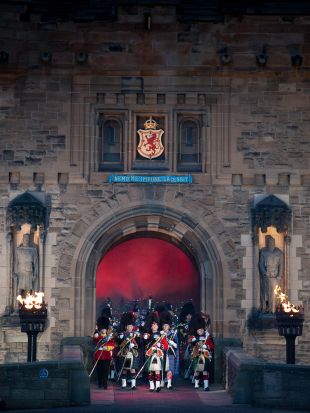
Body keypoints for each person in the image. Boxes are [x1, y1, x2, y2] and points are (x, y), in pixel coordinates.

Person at [188, 314, 215, 391]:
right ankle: (196, 384)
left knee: (205, 371)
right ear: (196, 330)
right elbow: (190, 342)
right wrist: (193, 341)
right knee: (197, 370)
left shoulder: (207, 337)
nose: (200, 331)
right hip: (197, 354)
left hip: (205, 355)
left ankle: (206, 386)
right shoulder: (194, 337)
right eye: (199, 330)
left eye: (202, 330)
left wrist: (206, 347)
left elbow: (212, 346)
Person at [143, 312, 168, 392]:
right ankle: (151, 386)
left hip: (158, 354)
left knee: (157, 370)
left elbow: (166, 345)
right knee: (150, 371)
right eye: (152, 325)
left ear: (158, 326)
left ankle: (157, 386)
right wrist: (144, 338)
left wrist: (160, 345)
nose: (154, 326)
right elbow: (145, 344)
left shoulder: (161, 335)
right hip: (150, 354)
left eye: (155, 325)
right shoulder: (148, 335)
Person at [258, 235, 284, 312]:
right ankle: (266, 308)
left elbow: (281, 265)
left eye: (272, 241)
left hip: (275, 276)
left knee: (274, 294)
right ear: (267, 243)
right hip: (266, 276)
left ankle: (274, 309)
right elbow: (260, 264)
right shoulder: (263, 252)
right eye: (269, 242)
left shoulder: (279, 252)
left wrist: (279, 276)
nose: (271, 243)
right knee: (266, 293)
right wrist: (264, 273)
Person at [117, 312, 140, 390]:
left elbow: (139, 343)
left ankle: (133, 385)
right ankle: (124, 384)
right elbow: (119, 344)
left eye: (131, 326)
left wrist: (134, 345)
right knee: (125, 369)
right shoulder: (123, 334)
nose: (130, 327)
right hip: (125, 353)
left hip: (133, 353)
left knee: (132, 368)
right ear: (126, 327)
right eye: (129, 326)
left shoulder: (135, 334)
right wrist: (121, 338)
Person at [93, 315, 116, 389]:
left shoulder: (109, 338)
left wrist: (107, 348)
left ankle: (105, 384)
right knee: (99, 371)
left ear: (106, 329)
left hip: (106, 356)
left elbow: (112, 345)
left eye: (104, 329)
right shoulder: (98, 337)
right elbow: (95, 339)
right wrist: (96, 332)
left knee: (105, 371)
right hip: (98, 355)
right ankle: (100, 383)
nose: (104, 330)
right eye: (102, 329)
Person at [159, 311, 178, 389]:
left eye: (167, 326)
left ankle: (169, 383)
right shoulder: (160, 334)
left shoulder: (173, 334)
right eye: (164, 326)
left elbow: (176, 345)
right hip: (162, 353)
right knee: (162, 368)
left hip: (170, 352)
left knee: (169, 368)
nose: (165, 327)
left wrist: (172, 343)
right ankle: (162, 381)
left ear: (169, 326)